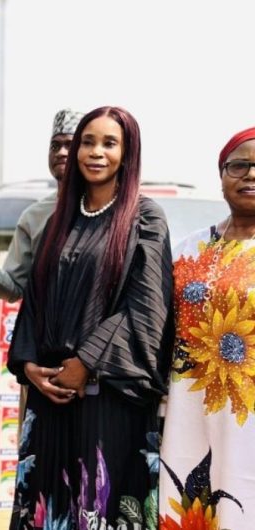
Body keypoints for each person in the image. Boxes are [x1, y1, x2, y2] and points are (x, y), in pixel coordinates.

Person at [8, 106, 173, 529]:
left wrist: (86, 363)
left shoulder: (145, 217)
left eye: (108, 143)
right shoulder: (59, 220)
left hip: (111, 400)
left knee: (100, 510)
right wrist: (29, 365)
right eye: (87, 141)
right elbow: (35, 300)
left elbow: (146, 304)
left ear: (127, 152)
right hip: (50, 400)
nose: (95, 152)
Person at [159, 127, 255, 529]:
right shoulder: (186, 250)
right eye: (239, 166)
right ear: (221, 176)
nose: (250, 175)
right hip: (188, 412)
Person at [0, 108, 83, 301]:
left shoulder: (109, 209)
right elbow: (14, 288)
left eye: (70, 145)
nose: (61, 152)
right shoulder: (34, 216)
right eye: (55, 146)